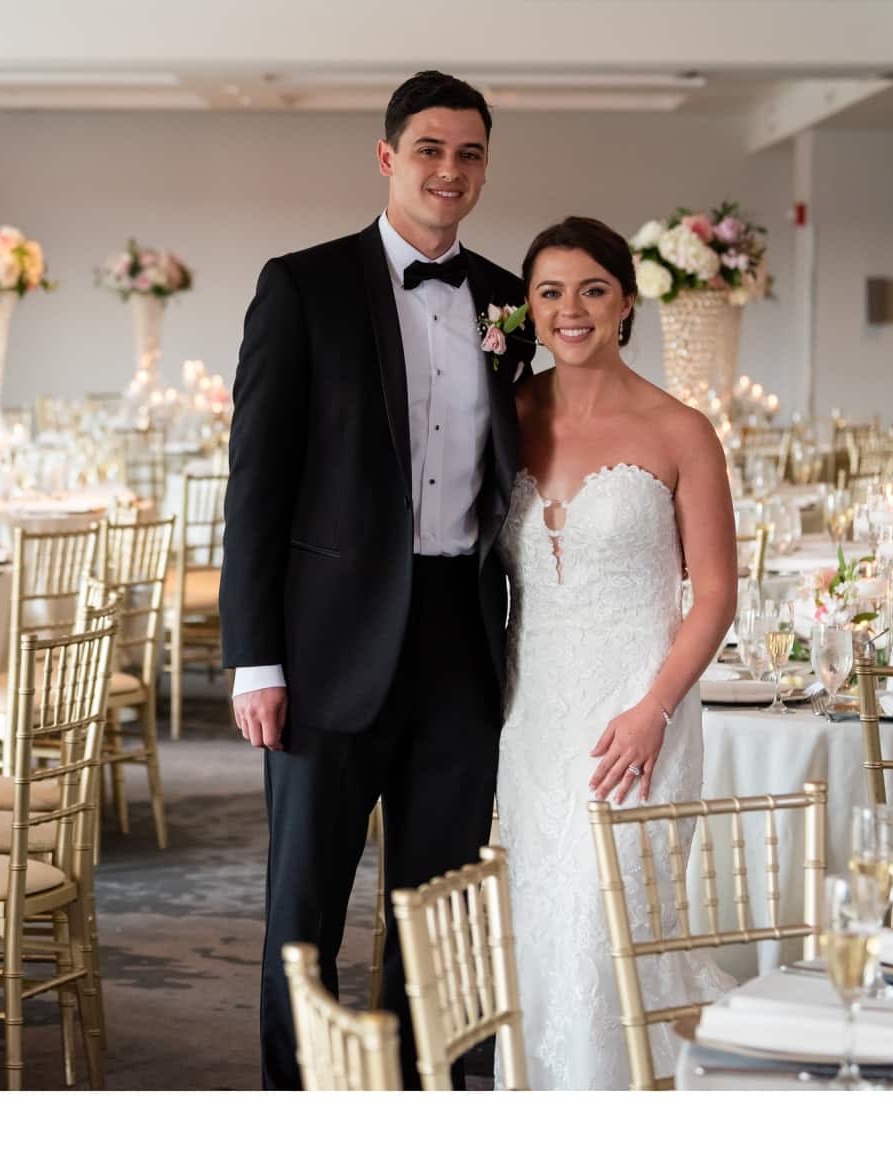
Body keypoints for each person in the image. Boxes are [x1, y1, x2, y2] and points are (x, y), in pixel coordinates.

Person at [223, 70, 526, 1090]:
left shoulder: (507, 301)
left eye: (470, 153)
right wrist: (253, 659)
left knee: (434, 904)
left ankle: (420, 1103)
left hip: (459, 637)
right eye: (430, 149)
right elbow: (255, 488)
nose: (450, 170)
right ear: (387, 156)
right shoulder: (300, 285)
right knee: (302, 909)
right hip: (321, 646)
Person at [496, 216, 740, 1088]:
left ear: (626, 302)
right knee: (545, 927)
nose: (571, 309)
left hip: (640, 714)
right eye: (550, 292)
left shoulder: (682, 431)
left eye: (593, 289)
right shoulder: (507, 420)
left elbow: (714, 595)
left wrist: (654, 710)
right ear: (528, 308)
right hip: (532, 719)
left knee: (611, 932)